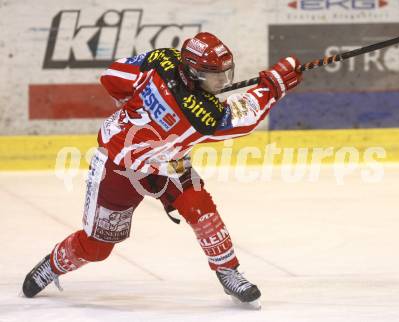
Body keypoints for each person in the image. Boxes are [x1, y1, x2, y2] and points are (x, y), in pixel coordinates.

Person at [22, 32, 302, 308]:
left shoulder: (162, 59)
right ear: (191, 72)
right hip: (118, 167)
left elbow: (112, 75)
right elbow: (244, 117)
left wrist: (132, 103)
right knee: (97, 247)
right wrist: (272, 87)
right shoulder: (200, 115)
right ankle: (54, 263)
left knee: (198, 205)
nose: (222, 82)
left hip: (167, 162)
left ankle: (227, 270)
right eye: (214, 75)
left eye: (225, 74)